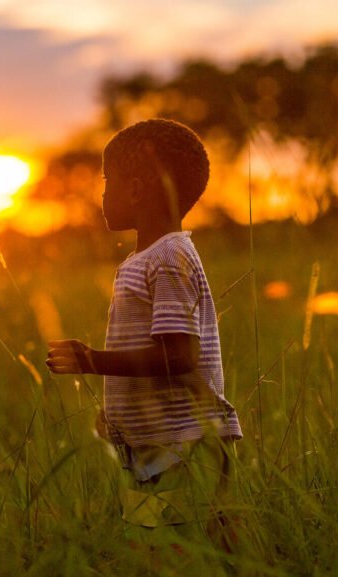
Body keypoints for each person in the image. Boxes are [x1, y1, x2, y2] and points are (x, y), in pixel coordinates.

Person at [45, 118, 242, 549]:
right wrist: (115, 417)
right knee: (150, 544)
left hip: (187, 445)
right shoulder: (146, 259)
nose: (101, 194)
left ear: (135, 190)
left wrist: (92, 360)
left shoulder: (169, 257)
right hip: (153, 448)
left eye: (106, 181)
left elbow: (179, 355)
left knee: (189, 546)